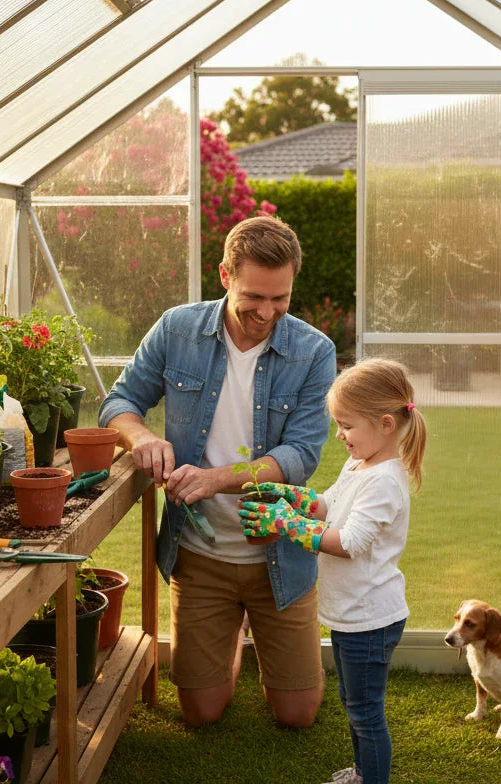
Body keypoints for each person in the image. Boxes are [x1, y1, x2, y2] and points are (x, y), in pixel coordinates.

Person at [100, 215, 336, 729]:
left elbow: (300, 455)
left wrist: (215, 478)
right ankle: (230, 635)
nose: (267, 312)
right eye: (255, 297)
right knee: (202, 713)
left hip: (280, 550)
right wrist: (142, 438)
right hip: (199, 551)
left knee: (297, 715)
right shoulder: (176, 328)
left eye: (281, 299)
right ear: (225, 275)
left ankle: (259, 630)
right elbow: (119, 401)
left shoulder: (315, 350)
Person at [239, 358, 425, 784]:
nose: (338, 435)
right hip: (352, 615)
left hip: (370, 620)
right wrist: (295, 499)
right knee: (352, 700)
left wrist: (287, 524)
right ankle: (362, 772)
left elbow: (350, 542)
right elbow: (332, 506)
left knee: (366, 712)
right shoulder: (360, 465)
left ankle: (371, 779)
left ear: (384, 424)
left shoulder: (384, 482)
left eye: (346, 426)